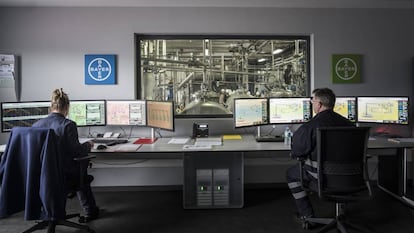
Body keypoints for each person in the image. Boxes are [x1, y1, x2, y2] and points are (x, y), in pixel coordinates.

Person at [286, 88, 354, 225]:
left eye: (313, 101)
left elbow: (298, 153)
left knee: (291, 174)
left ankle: (308, 217)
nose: (312, 103)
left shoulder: (310, 126)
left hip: (322, 177)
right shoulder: (350, 125)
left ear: (319, 104)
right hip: (351, 177)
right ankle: (340, 211)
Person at [32, 88, 99, 222]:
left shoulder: (36, 125)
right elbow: (76, 151)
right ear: (67, 107)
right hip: (64, 176)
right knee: (81, 172)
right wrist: (88, 145)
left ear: (51, 107)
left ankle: (48, 214)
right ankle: (90, 211)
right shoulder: (68, 125)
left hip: (42, 176)